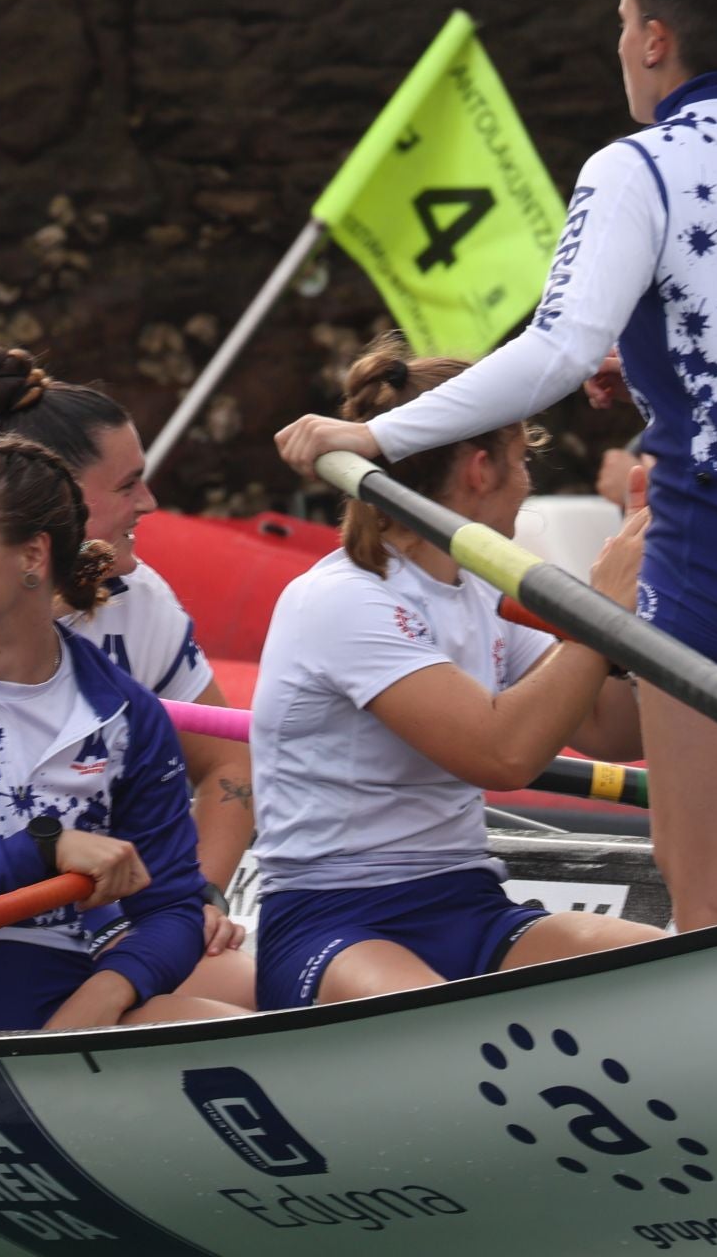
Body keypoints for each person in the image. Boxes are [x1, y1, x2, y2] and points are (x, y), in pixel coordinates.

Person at [275, 0, 717, 932]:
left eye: (622, 24)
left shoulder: (636, 167)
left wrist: (377, 434)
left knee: (715, 895)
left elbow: (549, 352)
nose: (620, 43)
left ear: (654, 42)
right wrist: (641, 359)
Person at [253, 341, 661, 1009]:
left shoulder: (476, 590)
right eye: (521, 461)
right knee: (437, 1020)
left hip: (470, 905)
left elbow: (612, 728)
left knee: (666, 972)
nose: (527, 483)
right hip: (335, 921)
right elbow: (501, 755)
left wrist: (656, 603)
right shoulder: (344, 600)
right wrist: (602, 614)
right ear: (479, 469)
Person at [0, 346, 250, 1004]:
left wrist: (201, 896)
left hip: (83, 912)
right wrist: (46, 605)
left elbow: (230, 762)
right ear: (56, 496)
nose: (149, 502)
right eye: (127, 485)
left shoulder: (140, 597)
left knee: (247, 996)